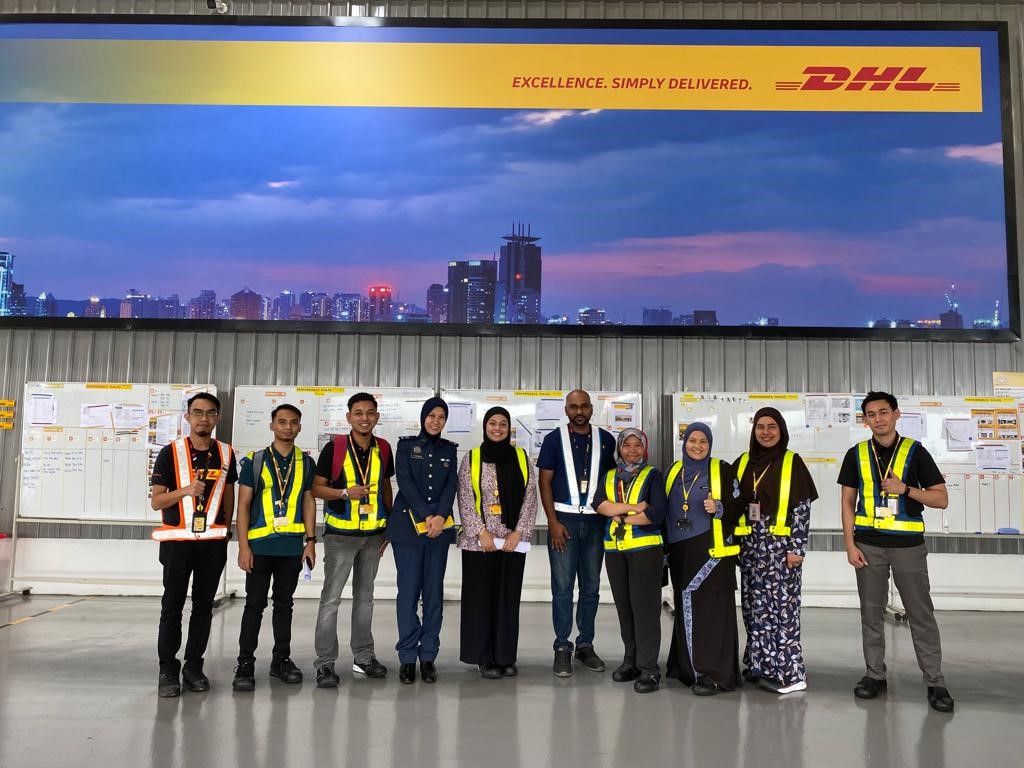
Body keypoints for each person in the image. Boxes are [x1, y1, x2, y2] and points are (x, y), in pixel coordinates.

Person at [838, 391, 954, 713]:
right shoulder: (856, 454)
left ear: (896, 414)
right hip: (868, 546)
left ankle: (935, 682)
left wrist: (906, 489)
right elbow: (847, 502)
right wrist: (849, 544)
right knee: (871, 614)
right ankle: (875, 675)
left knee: (920, 614)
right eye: (871, 414)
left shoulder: (916, 452)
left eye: (883, 412)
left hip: (908, 548)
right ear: (865, 420)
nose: (878, 419)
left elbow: (941, 499)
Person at [150, 392, 237, 698]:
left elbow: (228, 494)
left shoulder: (226, 453)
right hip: (178, 543)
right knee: (172, 606)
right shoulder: (169, 453)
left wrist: (226, 530)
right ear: (187, 417)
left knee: (203, 607)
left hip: (212, 544)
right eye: (197, 412)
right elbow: (157, 501)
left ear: (217, 418)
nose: (204, 418)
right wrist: (185, 490)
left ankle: (194, 667)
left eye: (210, 413)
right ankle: (167, 669)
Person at [311, 392, 394, 687]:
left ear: (377, 416)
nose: (364, 418)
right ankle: (324, 663)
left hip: (373, 537)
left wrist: (389, 526)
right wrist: (346, 493)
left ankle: (364, 657)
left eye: (370, 412)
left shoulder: (384, 448)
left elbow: (385, 486)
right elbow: (317, 489)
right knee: (331, 599)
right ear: (348, 417)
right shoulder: (334, 448)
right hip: (340, 537)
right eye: (358, 413)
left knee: (365, 599)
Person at [232, 403, 317, 691]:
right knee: (254, 605)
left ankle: (281, 660)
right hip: (259, 547)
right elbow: (243, 506)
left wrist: (310, 542)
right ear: (272, 426)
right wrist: (243, 547)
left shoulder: (306, 463)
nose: (287, 427)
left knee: (284, 605)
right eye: (282, 422)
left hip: (291, 548)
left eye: (293, 422)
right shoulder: (254, 462)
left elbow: (308, 502)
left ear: (299, 427)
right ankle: (245, 664)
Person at [733, 407, 817, 695]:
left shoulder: (792, 462)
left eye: (772, 427)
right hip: (751, 548)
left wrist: (797, 549)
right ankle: (761, 665)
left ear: (781, 430)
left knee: (782, 612)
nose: (766, 432)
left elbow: (802, 510)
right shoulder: (743, 462)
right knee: (754, 609)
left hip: (781, 549)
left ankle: (791, 675)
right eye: (760, 427)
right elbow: (733, 503)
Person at [538, 389, 617, 677]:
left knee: (591, 588)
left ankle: (585, 645)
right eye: (573, 407)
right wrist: (552, 522)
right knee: (562, 588)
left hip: (596, 524)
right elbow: (544, 482)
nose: (579, 411)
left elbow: (611, 482)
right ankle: (562, 646)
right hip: (564, 525)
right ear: (566, 410)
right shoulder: (553, 440)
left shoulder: (606, 440)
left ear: (592, 409)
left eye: (584, 406)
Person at [456, 406, 538, 679]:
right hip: (480, 544)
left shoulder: (521, 457)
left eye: (503, 424)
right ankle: (484, 658)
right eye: (493, 423)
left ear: (509, 428)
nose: (498, 428)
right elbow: (465, 497)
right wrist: (480, 532)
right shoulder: (472, 458)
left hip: (512, 543)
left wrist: (519, 532)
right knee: (480, 600)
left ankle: (505, 656)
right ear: (485, 427)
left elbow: (530, 496)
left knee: (507, 600)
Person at [664, 422, 743, 695]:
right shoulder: (673, 471)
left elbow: (739, 505)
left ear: (710, 445)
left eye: (703, 441)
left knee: (711, 611)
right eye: (692, 440)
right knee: (684, 605)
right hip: (679, 550)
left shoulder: (722, 470)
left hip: (712, 551)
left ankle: (712, 673)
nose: (696, 446)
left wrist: (718, 507)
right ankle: (686, 668)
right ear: (684, 443)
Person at [388, 397, 458, 684]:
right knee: (407, 595)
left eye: (441, 417)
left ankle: (428, 655)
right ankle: (407, 657)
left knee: (433, 595)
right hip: (408, 530)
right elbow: (405, 483)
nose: (436, 421)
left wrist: (440, 516)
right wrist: (427, 515)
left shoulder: (449, 450)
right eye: (431, 415)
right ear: (423, 417)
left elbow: (451, 485)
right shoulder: (406, 447)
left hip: (438, 531)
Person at [592, 428, 667, 693]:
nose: (632, 450)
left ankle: (650, 669)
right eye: (627, 445)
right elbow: (600, 505)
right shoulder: (609, 476)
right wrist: (634, 509)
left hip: (645, 551)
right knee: (625, 609)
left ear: (644, 449)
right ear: (619, 449)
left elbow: (656, 514)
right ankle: (631, 661)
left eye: (637, 446)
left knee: (645, 611)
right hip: (615, 551)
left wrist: (621, 517)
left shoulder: (653, 475)